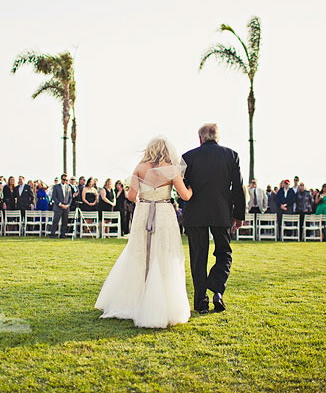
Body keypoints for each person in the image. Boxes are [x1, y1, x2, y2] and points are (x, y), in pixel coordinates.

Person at [95, 136, 193, 328]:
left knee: (140, 253)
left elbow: (131, 196)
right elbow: (185, 196)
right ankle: (164, 303)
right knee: (164, 253)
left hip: (144, 212)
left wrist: (145, 196)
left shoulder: (140, 167)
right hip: (164, 213)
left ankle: (135, 300)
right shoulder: (172, 169)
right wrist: (190, 188)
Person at [182, 124, 245, 314]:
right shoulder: (231, 155)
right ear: (218, 138)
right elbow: (238, 188)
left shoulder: (188, 157)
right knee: (224, 253)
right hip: (221, 213)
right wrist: (239, 215)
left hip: (196, 214)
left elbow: (183, 188)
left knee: (198, 259)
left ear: (200, 138)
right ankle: (217, 289)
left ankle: (201, 301)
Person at [49, 173, 73, 238]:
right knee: (55, 221)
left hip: (66, 207)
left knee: (65, 221)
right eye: (63, 179)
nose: (64, 181)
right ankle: (52, 234)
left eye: (66, 180)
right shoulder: (56, 187)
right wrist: (60, 204)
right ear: (61, 179)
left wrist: (68, 205)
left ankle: (63, 234)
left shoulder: (69, 187)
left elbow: (70, 197)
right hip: (58, 207)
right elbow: (54, 197)